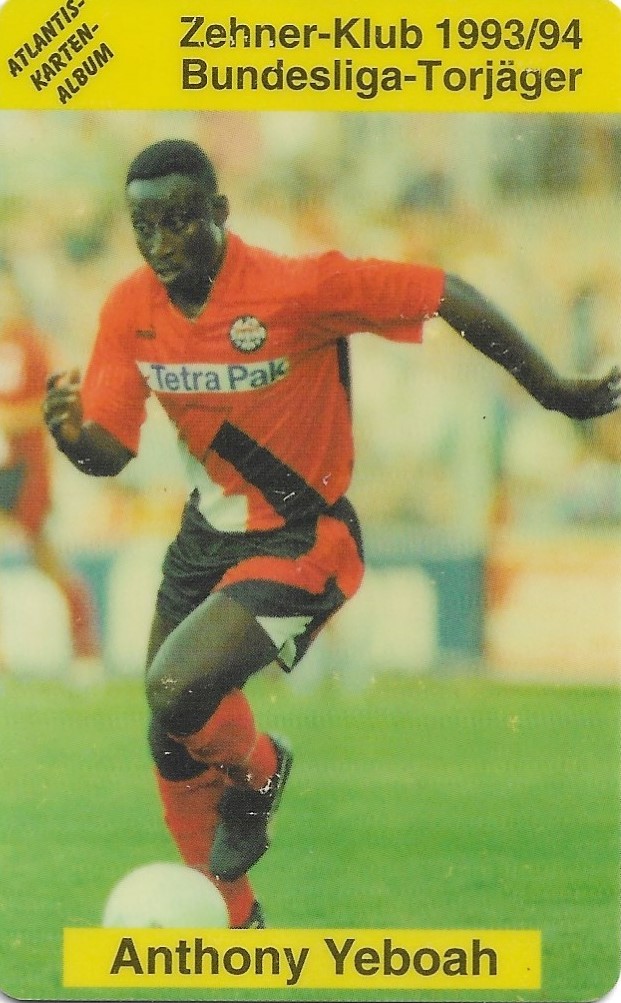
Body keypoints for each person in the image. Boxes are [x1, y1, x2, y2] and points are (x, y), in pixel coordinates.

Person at [42, 139, 620, 929]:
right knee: (170, 732)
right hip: (204, 538)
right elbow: (110, 450)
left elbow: (442, 292)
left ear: (220, 211)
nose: (161, 241)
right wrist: (73, 437)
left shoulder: (297, 287)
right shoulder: (129, 308)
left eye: (179, 220)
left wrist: (551, 388)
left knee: (175, 687)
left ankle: (260, 771)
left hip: (301, 538)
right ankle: (237, 925)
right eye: (144, 224)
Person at [0, 258, 101, 678]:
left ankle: (86, 650)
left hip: (25, 469)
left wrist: (12, 419)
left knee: (45, 556)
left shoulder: (32, 344)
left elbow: (51, 405)